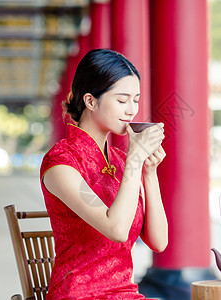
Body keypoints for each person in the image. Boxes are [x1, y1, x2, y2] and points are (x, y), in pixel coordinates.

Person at [40, 49, 168, 299]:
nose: (132, 110)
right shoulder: (61, 163)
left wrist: (149, 173)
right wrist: (134, 162)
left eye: (136, 100)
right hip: (78, 294)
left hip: (125, 293)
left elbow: (159, 242)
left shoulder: (121, 162)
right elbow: (116, 230)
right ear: (90, 101)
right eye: (122, 100)